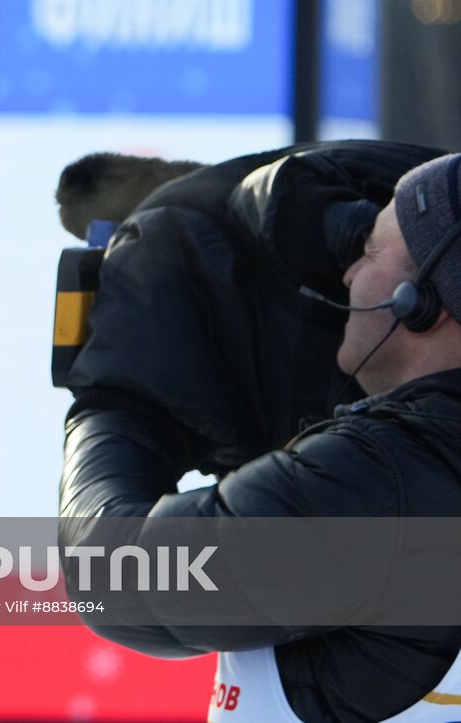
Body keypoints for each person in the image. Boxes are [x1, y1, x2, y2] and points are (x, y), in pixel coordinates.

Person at [60, 152, 461, 721]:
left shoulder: (383, 486)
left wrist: (111, 402)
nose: (346, 273)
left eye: (368, 247)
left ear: (419, 307)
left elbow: (113, 573)